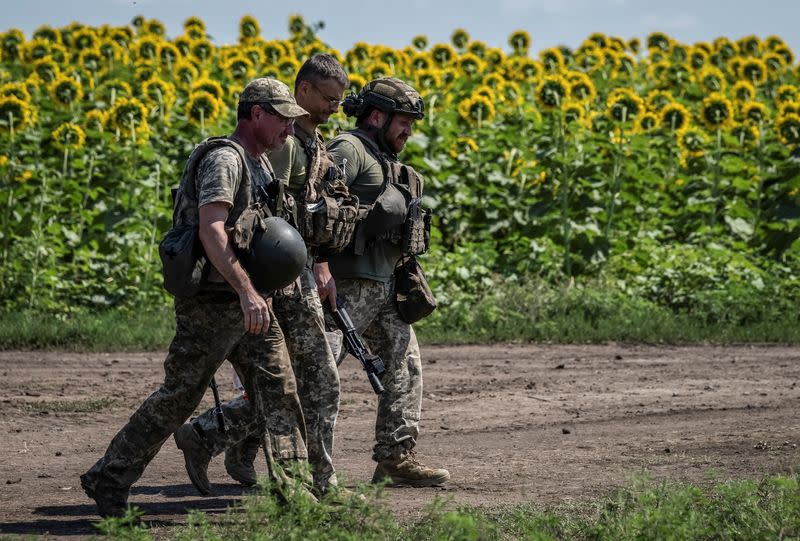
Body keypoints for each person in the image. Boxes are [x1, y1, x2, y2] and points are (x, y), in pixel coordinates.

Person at [80, 77, 310, 517]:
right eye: (283, 119)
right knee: (180, 396)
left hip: (250, 302)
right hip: (214, 303)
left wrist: (258, 293)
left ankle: (295, 493)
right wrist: (246, 292)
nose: (289, 129)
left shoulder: (259, 163)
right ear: (256, 114)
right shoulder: (226, 158)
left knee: (279, 388)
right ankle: (108, 478)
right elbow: (212, 229)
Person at [181, 54, 354, 497]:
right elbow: (258, 220)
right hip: (277, 281)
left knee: (296, 381)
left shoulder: (313, 142)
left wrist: (321, 264)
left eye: (340, 100)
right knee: (304, 380)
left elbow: (305, 217)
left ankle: (213, 438)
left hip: (297, 275)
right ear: (302, 92)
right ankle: (311, 482)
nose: (336, 106)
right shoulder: (283, 144)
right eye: (328, 98)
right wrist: (253, 288)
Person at [325, 78, 450, 486]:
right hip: (343, 289)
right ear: (376, 116)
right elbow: (317, 213)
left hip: (383, 287)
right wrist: (370, 217)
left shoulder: (385, 157)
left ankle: (396, 457)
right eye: (403, 121)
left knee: (405, 366)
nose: (409, 131)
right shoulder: (349, 150)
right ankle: (213, 431)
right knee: (313, 376)